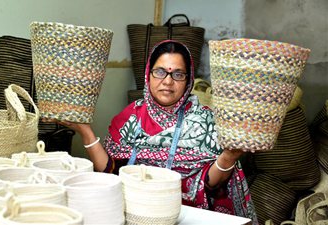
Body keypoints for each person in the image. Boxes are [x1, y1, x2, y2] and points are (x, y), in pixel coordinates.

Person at [55, 40, 258, 223]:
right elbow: (111, 172)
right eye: (160, 72)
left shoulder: (206, 121)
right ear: (148, 74)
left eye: (178, 74)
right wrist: (86, 133)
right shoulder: (130, 117)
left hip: (188, 214)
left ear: (188, 80)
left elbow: (212, 185)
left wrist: (229, 156)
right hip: (135, 212)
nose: (168, 81)